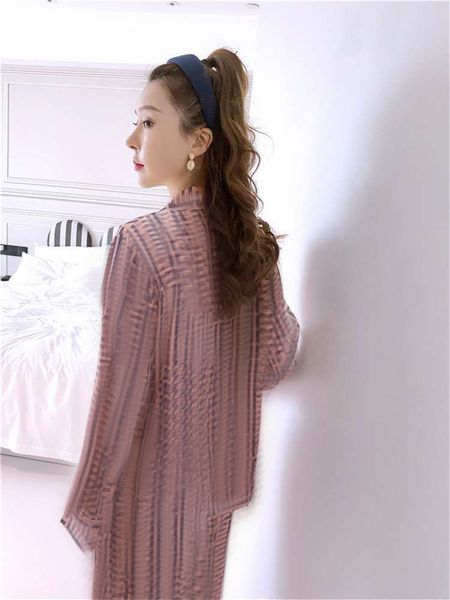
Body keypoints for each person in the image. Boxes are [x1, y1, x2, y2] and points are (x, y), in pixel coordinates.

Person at [60, 48, 302, 600]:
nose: (132, 140)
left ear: (198, 142)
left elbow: (119, 394)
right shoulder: (253, 244)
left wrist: (88, 503)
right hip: (215, 491)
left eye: (147, 122)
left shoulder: (142, 244)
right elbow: (275, 360)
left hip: (147, 498)